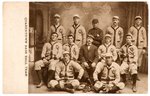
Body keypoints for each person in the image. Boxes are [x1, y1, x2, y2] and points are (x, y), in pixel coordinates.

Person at [128, 16, 147, 80]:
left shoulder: (143, 29)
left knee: (138, 61)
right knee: (131, 60)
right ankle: (131, 75)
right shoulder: (131, 28)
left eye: (139, 20)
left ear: (141, 21)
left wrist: (144, 48)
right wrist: (129, 45)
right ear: (135, 21)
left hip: (140, 47)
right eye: (137, 20)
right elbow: (128, 37)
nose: (138, 21)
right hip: (132, 47)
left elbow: (145, 38)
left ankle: (136, 75)